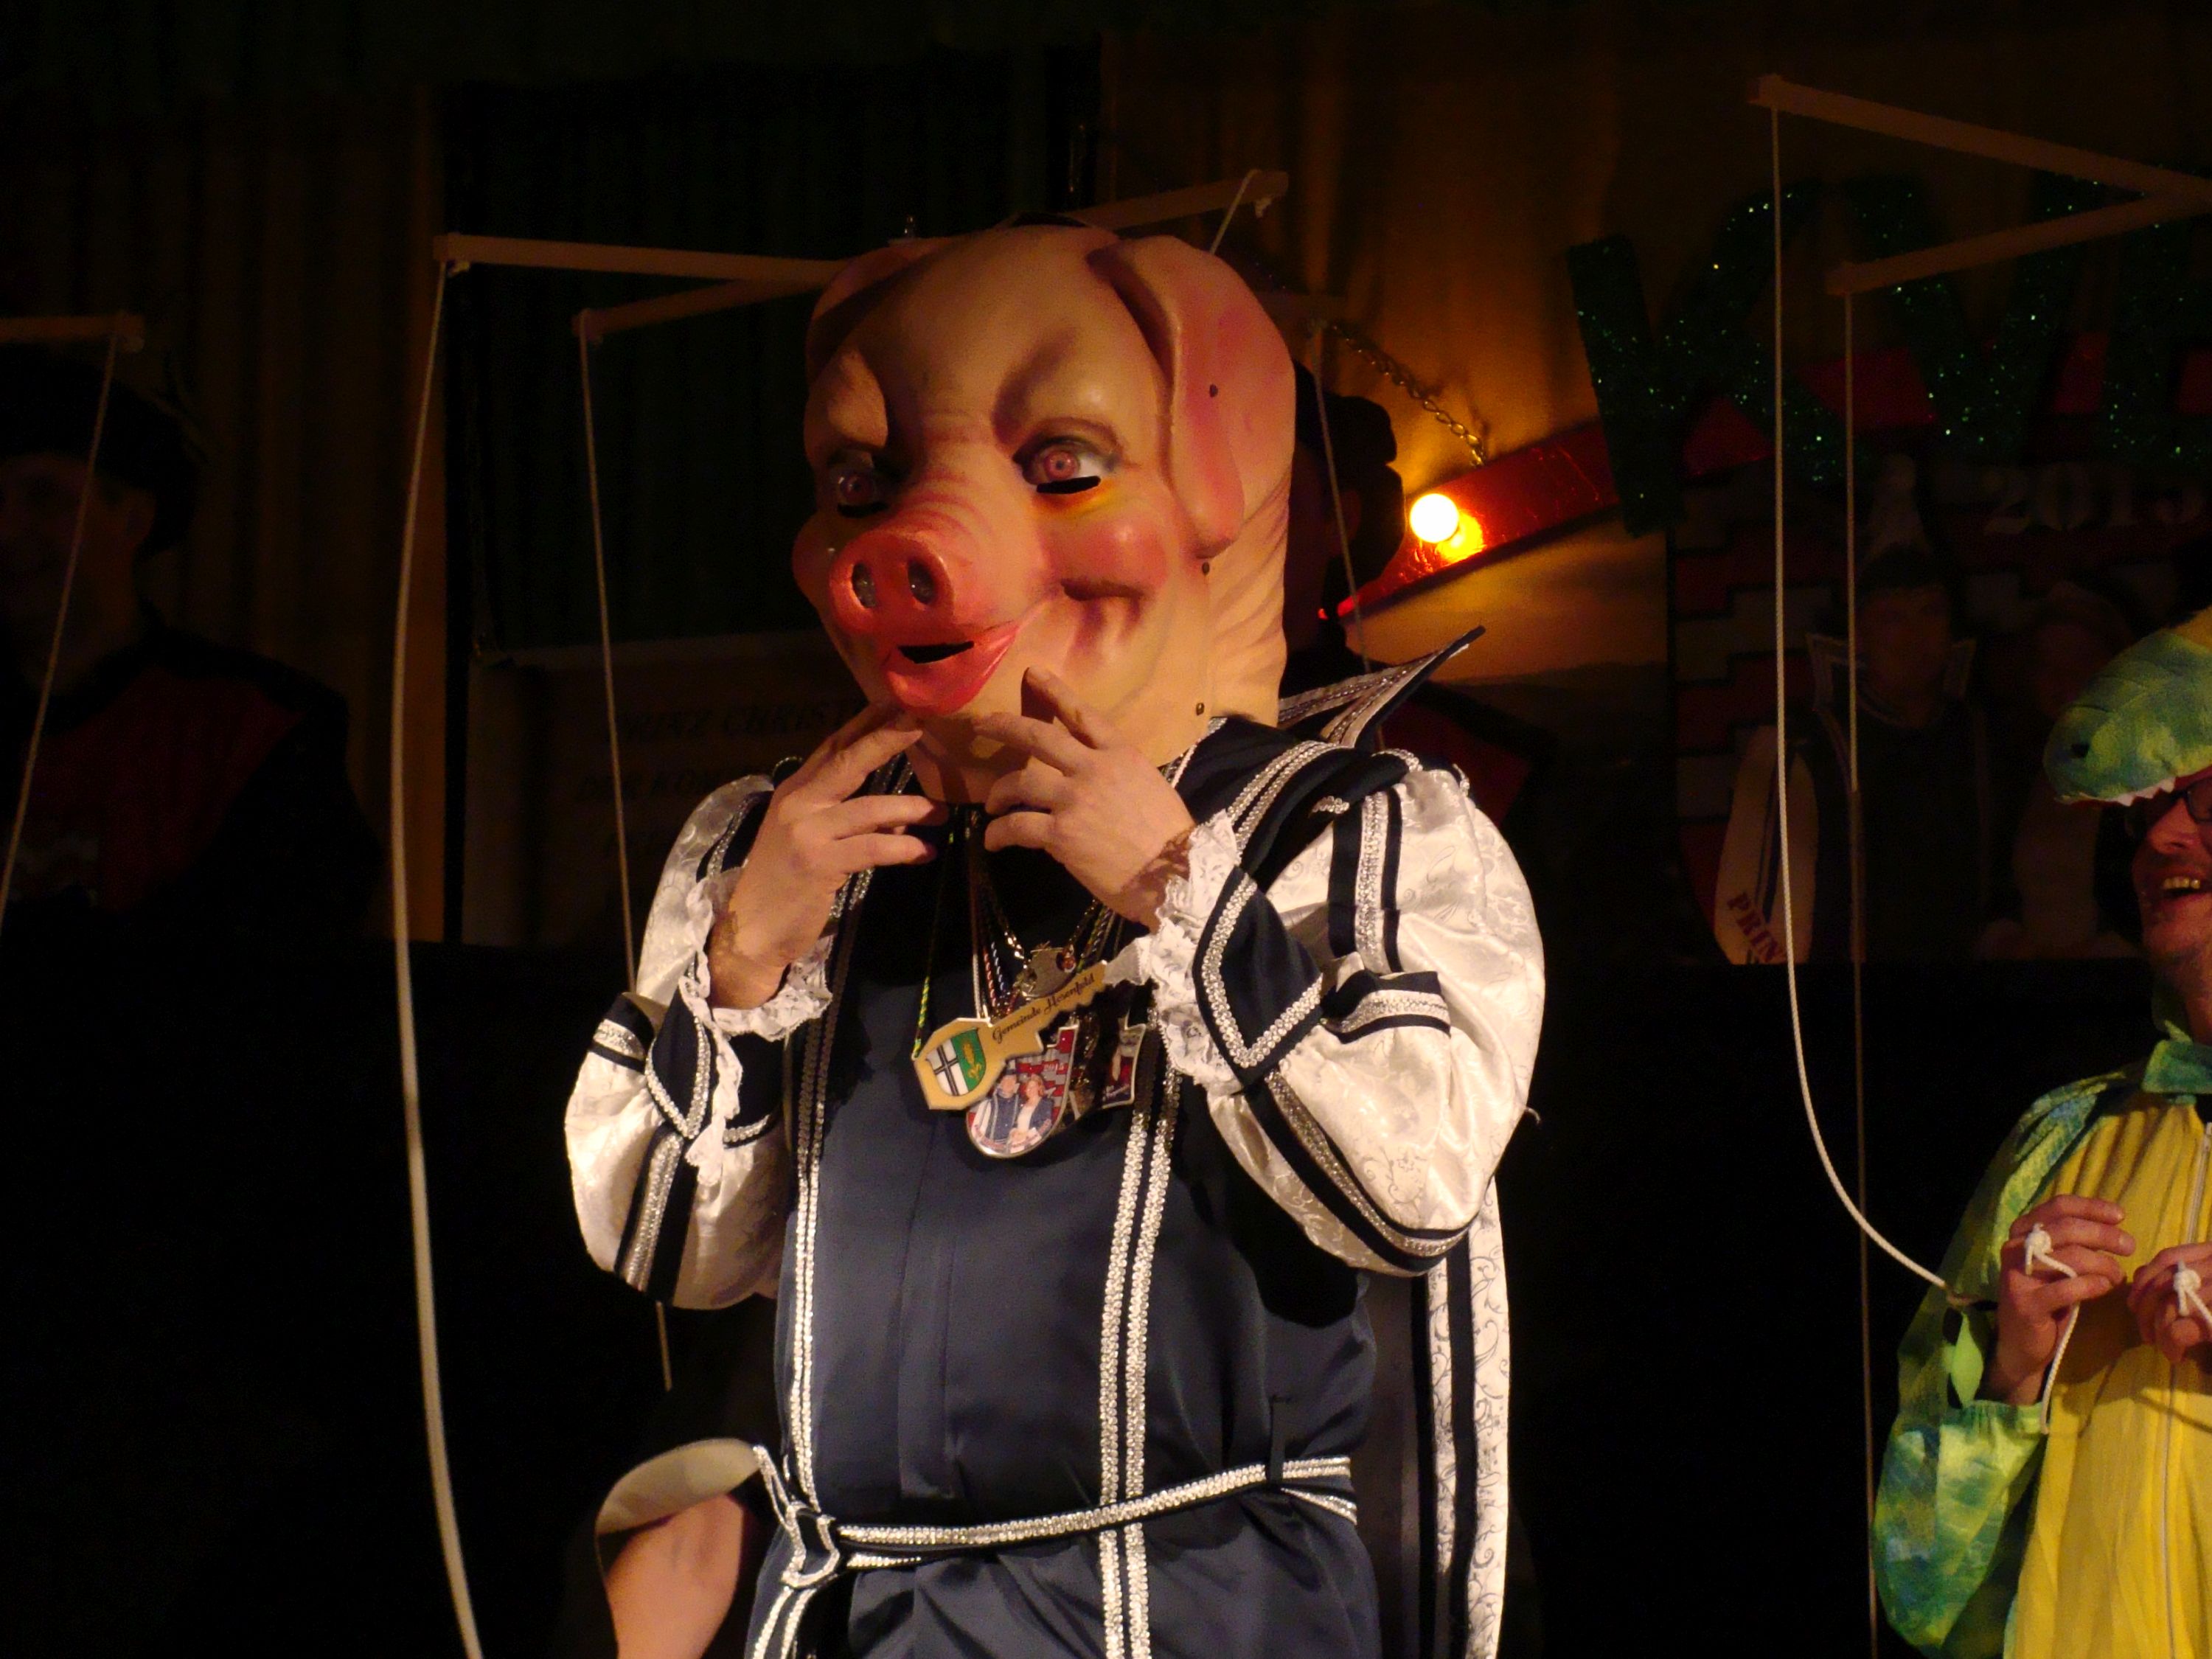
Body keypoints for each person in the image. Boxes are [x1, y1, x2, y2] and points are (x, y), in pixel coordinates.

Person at [563, 223, 1543, 1659]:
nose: (912, 532)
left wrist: (1177, 890)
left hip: (1190, 1616)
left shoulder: (1342, 827)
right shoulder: (779, 847)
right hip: (864, 1615)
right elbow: (667, 1247)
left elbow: (1411, 1191)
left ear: (1217, 488)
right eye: (861, 482)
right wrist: (744, 962)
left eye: (1064, 467)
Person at [1873, 602, 2212, 1657]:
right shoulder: (2065, 1136)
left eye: (2207, 799)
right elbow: (1920, 1582)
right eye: (2148, 812)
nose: (2161, 840)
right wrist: (2011, 1372)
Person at [0, 346, 378, 947]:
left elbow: (282, 963)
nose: (4, 529)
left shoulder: (258, 726)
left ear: (132, 519)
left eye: (43, 494)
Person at [1714, 543, 1993, 963]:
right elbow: (1745, 911)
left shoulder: (1982, 737)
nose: (1915, 636)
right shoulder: (1801, 746)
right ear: (1859, 636)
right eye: (1892, 617)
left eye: (1931, 612)